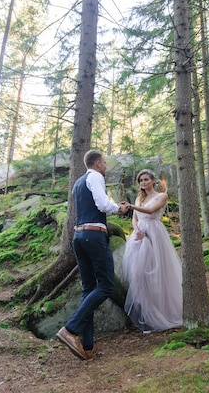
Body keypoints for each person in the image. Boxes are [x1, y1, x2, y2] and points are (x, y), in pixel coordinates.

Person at [56, 150, 130, 360]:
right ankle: (70, 330)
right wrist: (119, 209)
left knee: (89, 288)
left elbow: (91, 206)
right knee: (106, 285)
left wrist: (114, 208)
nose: (105, 166)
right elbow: (102, 204)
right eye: (104, 163)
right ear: (97, 163)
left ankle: (87, 346)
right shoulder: (96, 176)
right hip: (94, 235)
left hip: (79, 236)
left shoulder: (78, 182)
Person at [122, 169, 183, 333]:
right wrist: (137, 231)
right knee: (138, 274)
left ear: (153, 180)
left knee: (156, 272)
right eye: (141, 180)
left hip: (154, 234)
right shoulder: (139, 198)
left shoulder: (161, 196)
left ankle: (162, 313)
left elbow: (150, 211)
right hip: (139, 236)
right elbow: (135, 219)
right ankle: (147, 316)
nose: (143, 183)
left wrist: (130, 206)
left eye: (146, 179)